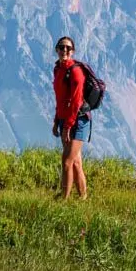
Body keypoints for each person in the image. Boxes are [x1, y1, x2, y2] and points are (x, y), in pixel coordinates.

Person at [52, 36, 89, 199]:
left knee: (66, 162)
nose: (64, 50)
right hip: (63, 119)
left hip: (78, 121)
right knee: (75, 163)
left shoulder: (75, 72)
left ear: (72, 51)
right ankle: (83, 198)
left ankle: (63, 200)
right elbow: (60, 98)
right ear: (56, 50)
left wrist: (67, 126)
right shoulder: (58, 69)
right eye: (61, 47)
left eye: (68, 48)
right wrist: (56, 121)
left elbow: (76, 101)